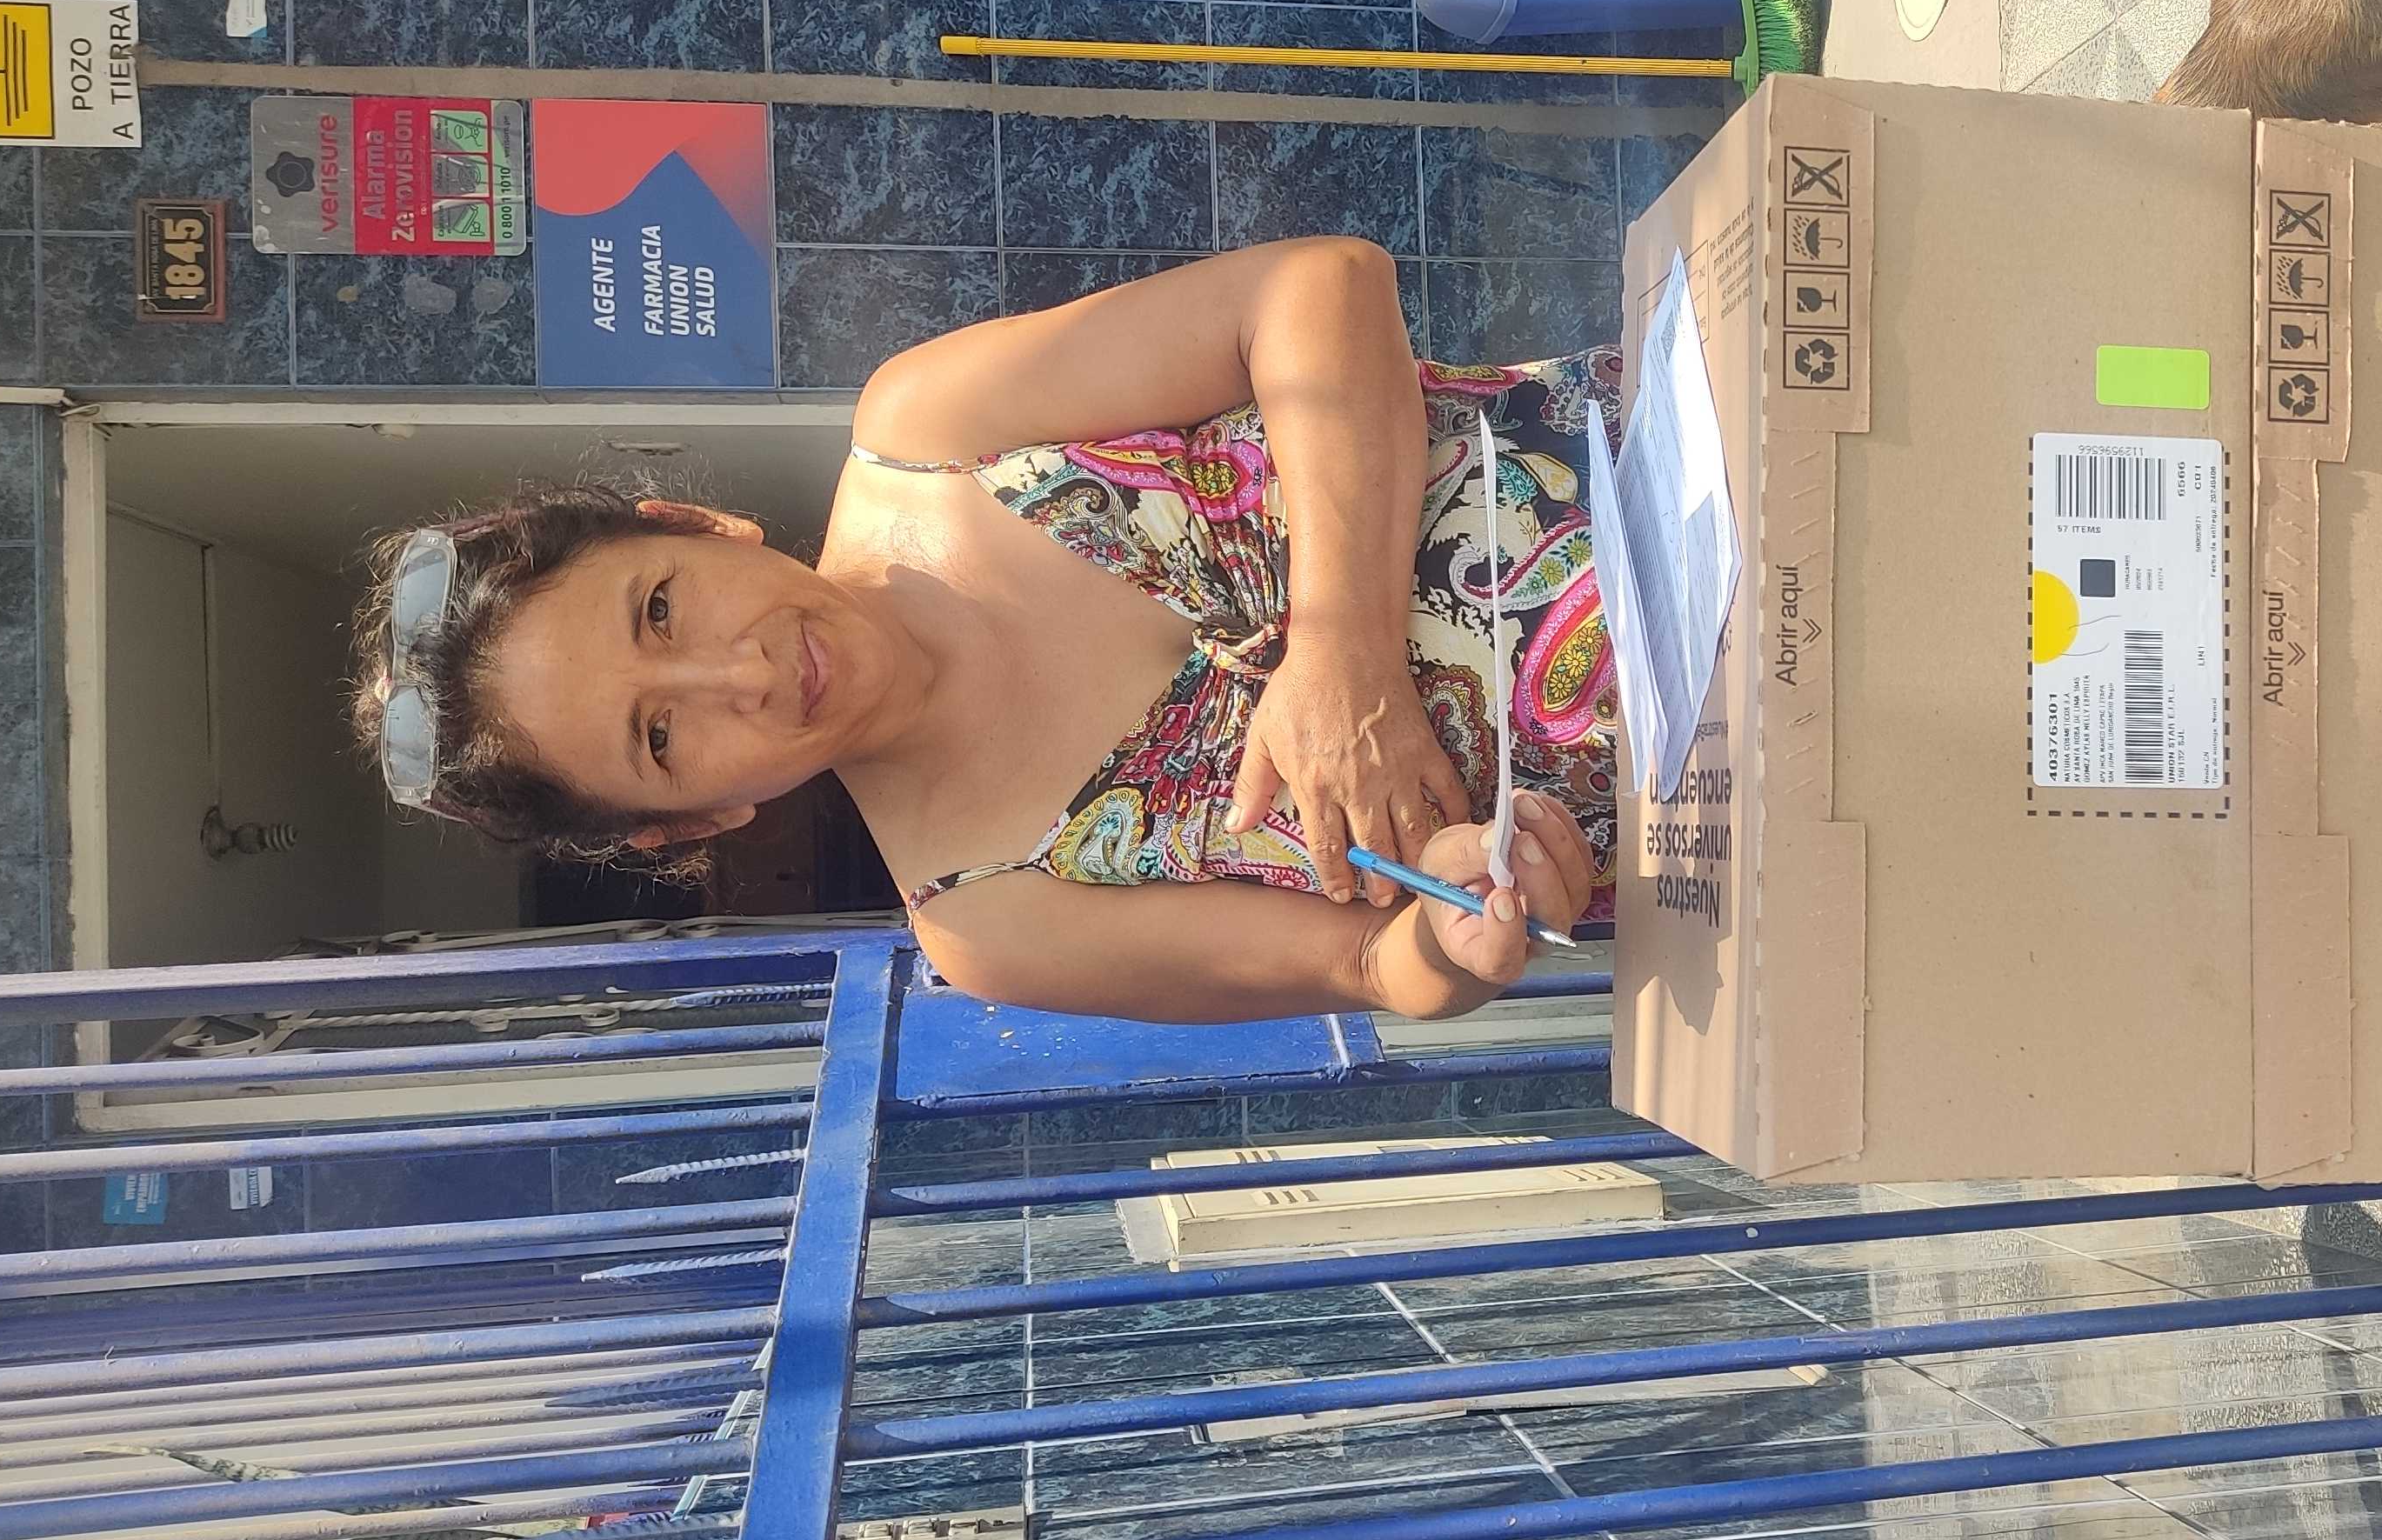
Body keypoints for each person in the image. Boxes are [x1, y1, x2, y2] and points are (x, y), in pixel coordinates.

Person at [347, 237, 1616, 1024]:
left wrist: (1343, 646)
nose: (742, 672)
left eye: (661, 608)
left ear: (695, 522)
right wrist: (1466, 930)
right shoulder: (990, 921)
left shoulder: (930, 434)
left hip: (1681, 461)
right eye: (661, 736)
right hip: (1695, 808)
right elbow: (1369, 969)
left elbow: (1314, 289)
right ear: (690, 824)